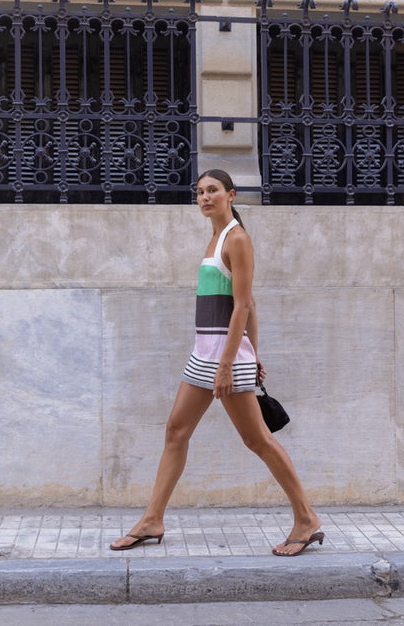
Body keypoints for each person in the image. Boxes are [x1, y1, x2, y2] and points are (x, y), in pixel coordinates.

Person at [109, 169, 323, 557]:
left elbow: (243, 306)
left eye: (213, 191)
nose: (205, 197)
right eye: (200, 192)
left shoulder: (237, 239)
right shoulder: (214, 239)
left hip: (223, 358)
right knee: (176, 430)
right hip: (203, 354)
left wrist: (232, 363)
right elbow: (249, 305)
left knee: (257, 439)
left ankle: (306, 519)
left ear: (230, 195)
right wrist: (254, 354)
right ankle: (152, 519)